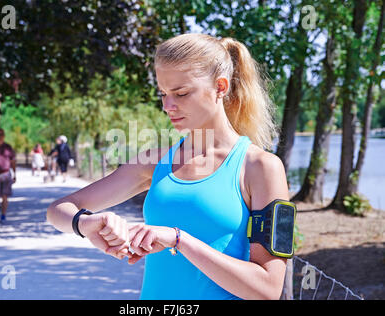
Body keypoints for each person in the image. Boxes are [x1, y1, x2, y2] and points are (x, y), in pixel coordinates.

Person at [47, 33, 289, 300]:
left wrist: (178, 240)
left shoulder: (262, 168)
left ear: (220, 87)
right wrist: (87, 223)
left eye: (181, 93)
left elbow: (267, 289)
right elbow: (58, 210)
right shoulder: (154, 162)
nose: (167, 106)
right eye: (163, 93)